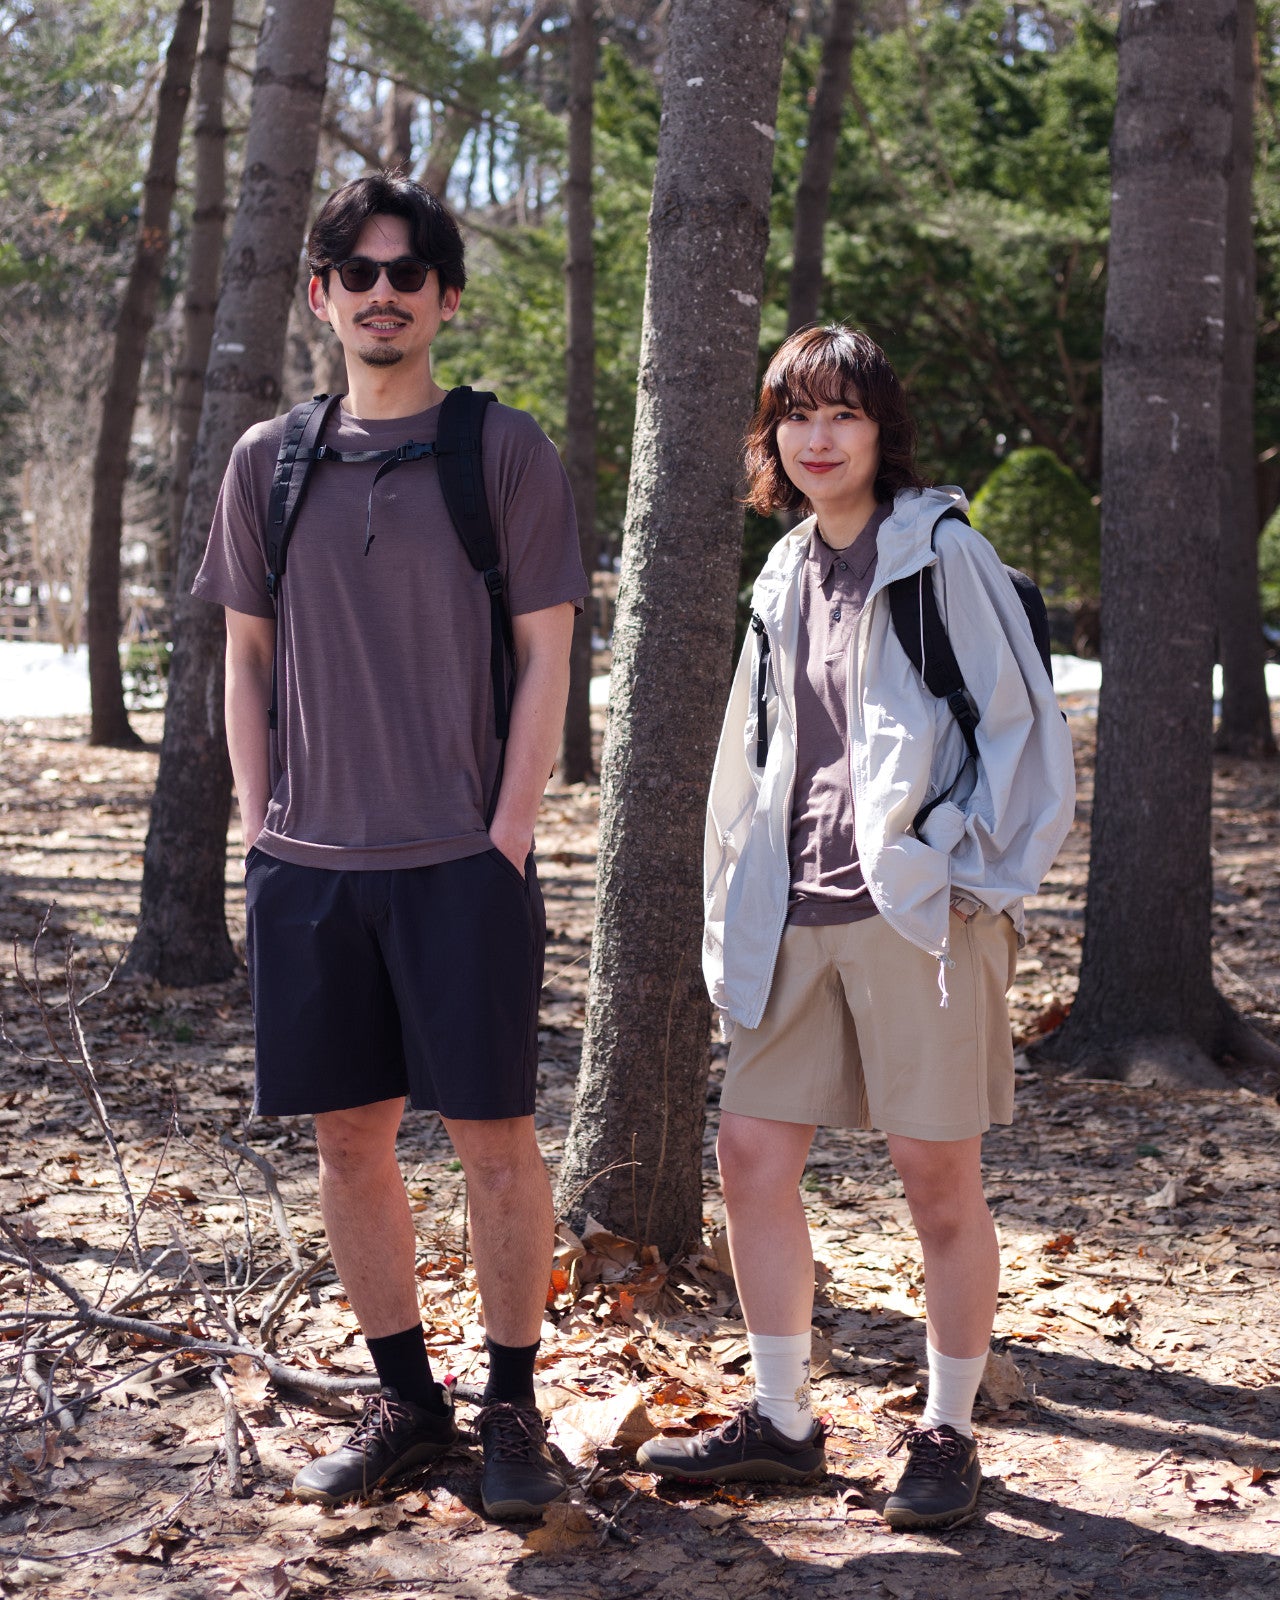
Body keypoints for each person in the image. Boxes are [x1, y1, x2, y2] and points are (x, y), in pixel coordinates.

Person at [192, 173, 587, 1518]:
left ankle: (513, 1405)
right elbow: (243, 661)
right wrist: (258, 827)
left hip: (462, 867)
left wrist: (509, 831)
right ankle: (406, 1406)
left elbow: (547, 655)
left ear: (445, 299)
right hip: (311, 867)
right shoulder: (268, 463)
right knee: (349, 1143)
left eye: (406, 272)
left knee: (496, 1145)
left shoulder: (503, 453)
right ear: (321, 296)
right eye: (355, 273)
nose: (381, 291)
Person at [636, 325, 1075, 1529]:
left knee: (935, 1177)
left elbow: (1022, 735)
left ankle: (944, 1432)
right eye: (795, 415)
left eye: (841, 414)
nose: (816, 437)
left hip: (913, 919)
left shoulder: (942, 557)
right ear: (771, 434)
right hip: (792, 913)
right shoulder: (780, 572)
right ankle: (782, 1422)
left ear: (881, 429)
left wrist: (967, 875)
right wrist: (737, 874)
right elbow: (756, 747)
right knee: (750, 1158)